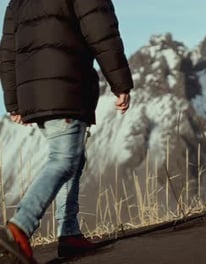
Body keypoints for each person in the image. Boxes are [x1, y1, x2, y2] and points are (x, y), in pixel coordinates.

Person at [0, 0, 133, 262]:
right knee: (63, 158)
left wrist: (14, 101)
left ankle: (69, 233)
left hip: (36, 93)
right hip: (66, 85)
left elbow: (7, 50)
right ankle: (19, 228)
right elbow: (101, 30)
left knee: (73, 157)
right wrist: (120, 83)